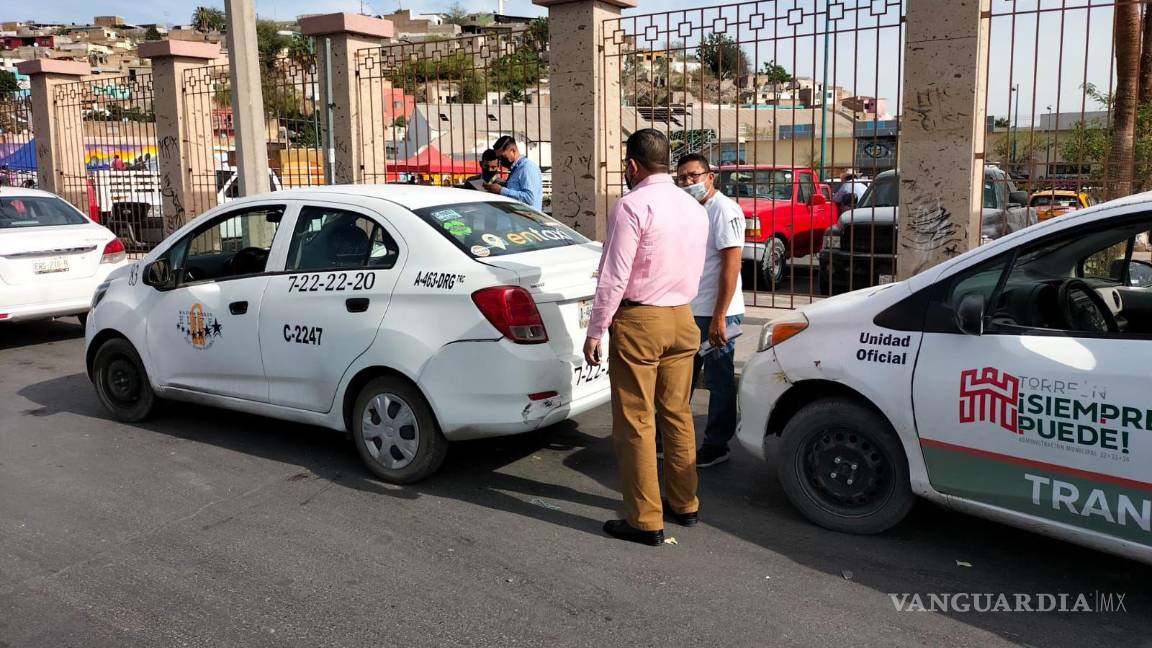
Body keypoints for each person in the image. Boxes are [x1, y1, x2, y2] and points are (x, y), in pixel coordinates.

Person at [583, 129, 708, 546]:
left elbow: (614, 276)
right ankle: (685, 502)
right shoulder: (693, 207)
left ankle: (644, 519)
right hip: (683, 319)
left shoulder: (632, 206)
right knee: (677, 414)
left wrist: (597, 329)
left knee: (636, 422)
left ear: (632, 165)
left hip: (641, 322)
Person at [674, 153, 745, 468]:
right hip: (690, 309)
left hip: (716, 312)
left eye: (694, 176)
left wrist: (720, 317)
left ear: (710, 176)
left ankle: (717, 444)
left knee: (719, 381)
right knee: (679, 378)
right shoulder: (689, 210)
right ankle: (672, 438)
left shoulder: (724, 210)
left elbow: (731, 265)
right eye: (683, 177)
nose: (689, 182)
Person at [485, 135, 543, 211]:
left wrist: (501, 190)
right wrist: (503, 184)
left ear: (513, 151)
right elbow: (517, 188)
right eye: (499, 158)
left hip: (527, 220)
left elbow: (529, 198)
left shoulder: (527, 167)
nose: (501, 160)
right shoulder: (516, 169)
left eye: (503, 156)